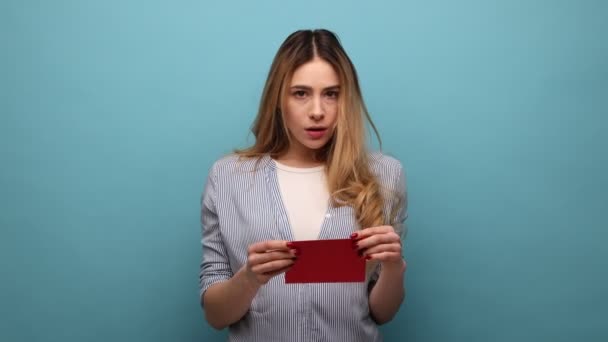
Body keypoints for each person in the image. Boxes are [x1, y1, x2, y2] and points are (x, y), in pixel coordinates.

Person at [199, 29, 408, 341]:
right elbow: (215, 316)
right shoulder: (227, 177)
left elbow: (382, 313)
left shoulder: (384, 174)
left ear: (346, 99)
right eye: (301, 93)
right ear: (278, 98)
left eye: (331, 94)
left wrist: (393, 268)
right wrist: (249, 280)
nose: (317, 112)